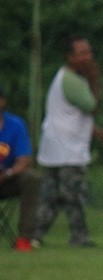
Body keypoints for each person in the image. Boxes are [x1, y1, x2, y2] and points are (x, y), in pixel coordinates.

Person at [35, 35, 103, 248]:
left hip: (54, 145)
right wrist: (95, 80)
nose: (89, 57)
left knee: (51, 195)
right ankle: (79, 236)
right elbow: (92, 106)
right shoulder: (73, 81)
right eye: (83, 53)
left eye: (89, 52)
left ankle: (35, 234)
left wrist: (94, 130)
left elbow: (69, 114)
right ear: (69, 57)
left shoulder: (62, 77)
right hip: (67, 148)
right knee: (73, 194)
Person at [0, 83, 41, 252]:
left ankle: (24, 237)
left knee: (32, 178)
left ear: (3, 101)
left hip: (6, 181)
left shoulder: (15, 125)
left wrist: (7, 173)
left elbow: (24, 160)